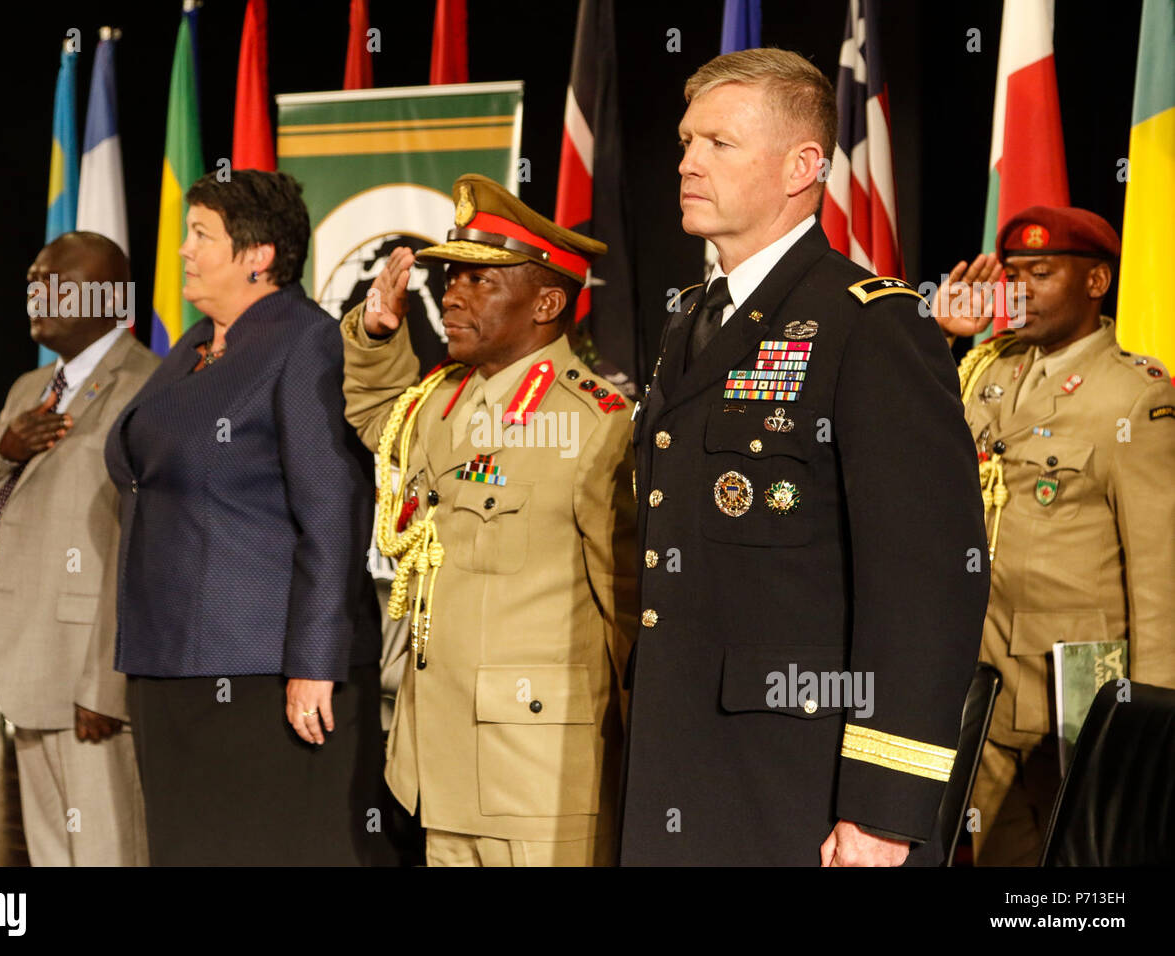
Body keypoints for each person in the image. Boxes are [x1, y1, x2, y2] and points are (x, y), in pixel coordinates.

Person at [619, 49, 990, 866]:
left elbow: (928, 584)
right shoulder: (692, 322)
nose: (687, 163)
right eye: (686, 141)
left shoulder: (870, 325)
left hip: (805, 789)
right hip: (688, 767)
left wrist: (885, 810)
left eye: (719, 143)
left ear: (803, 167)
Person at [340, 173, 637, 866]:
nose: (452, 294)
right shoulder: (441, 400)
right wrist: (378, 336)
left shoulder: (595, 425)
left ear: (549, 302)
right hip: (437, 771)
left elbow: (630, 611)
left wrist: (648, 760)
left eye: (480, 281)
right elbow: (381, 426)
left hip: (540, 778)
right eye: (452, 277)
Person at [103, 170, 393, 866]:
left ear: (258, 254)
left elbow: (333, 512)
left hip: (265, 674)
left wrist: (315, 664)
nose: (183, 251)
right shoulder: (198, 344)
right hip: (170, 661)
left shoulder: (306, 342)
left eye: (201, 235)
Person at [934, 205, 1175, 865]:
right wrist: (944, 338)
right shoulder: (987, 370)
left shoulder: (1133, 398)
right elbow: (912, 444)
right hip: (979, 677)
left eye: (1040, 273)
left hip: (1075, 691)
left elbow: (1161, 570)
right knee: (990, 856)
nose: (1018, 291)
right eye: (1011, 274)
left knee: (1077, 869)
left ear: (1096, 281)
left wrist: (1149, 715)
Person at [0, 231, 157, 866]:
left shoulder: (147, 387)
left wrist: (106, 684)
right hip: (27, 654)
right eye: (33, 280)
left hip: (85, 673)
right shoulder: (30, 387)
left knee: (103, 849)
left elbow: (142, 550)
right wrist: (3, 448)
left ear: (108, 295)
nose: (36, 293)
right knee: (49, 850)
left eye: (55, 281)